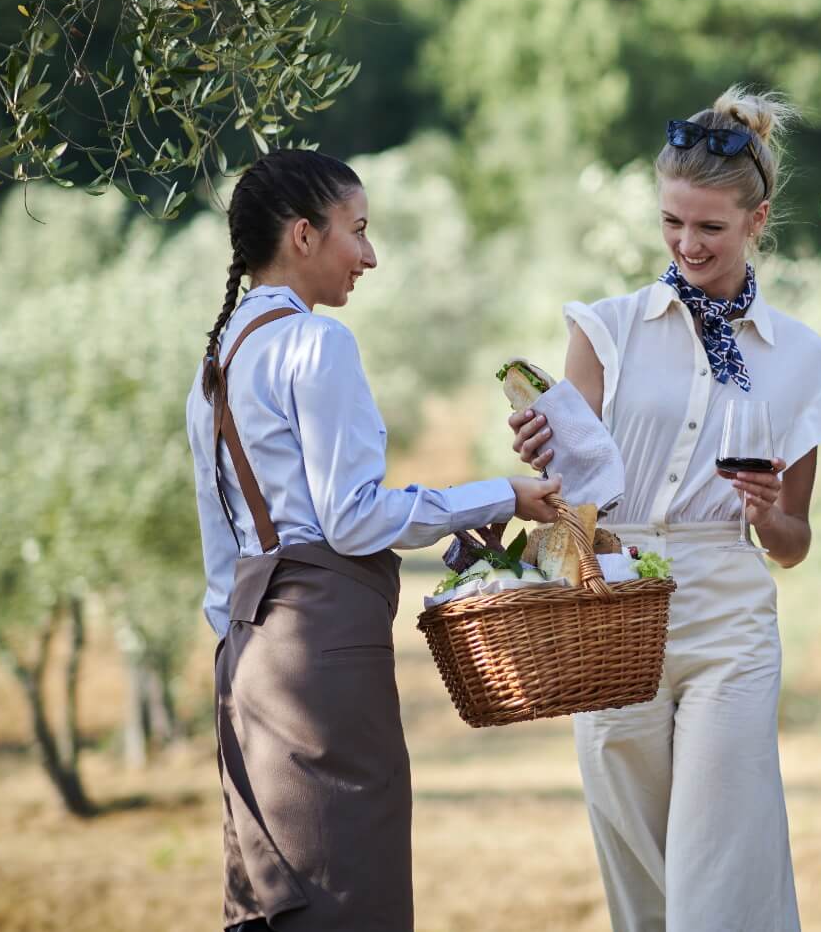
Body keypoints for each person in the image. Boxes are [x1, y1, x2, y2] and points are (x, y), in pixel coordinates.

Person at [187, 149, 567, 932]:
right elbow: (353, 517)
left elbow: (218, 551)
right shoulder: (316, 345)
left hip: (247, 658)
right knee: (348, 888)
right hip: (322, 654)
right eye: (357, 232)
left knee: (275, 898)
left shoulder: (219, 359)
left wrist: (243, 653)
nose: (369, 255)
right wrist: (498, 495)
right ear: (303, 235)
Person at [509, 88, 821, 932]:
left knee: (722, 865)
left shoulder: (800, 359)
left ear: (757, 218)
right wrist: (543, 455)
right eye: (672, 222)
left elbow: (794, 543)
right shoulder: (606, 329)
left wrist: (772, 510)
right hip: (614, 601)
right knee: (640, 871)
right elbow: (573, 500)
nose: (687, 244)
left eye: (709, 227)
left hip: (728, 617)